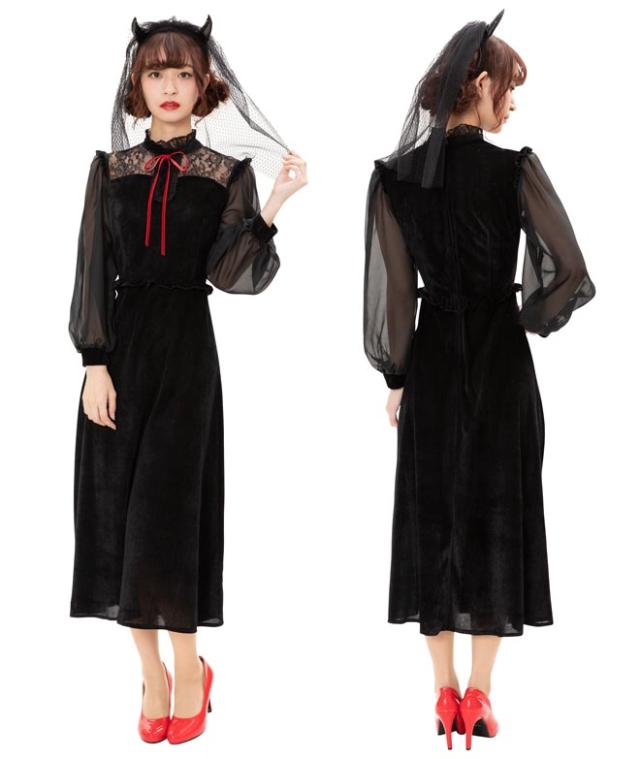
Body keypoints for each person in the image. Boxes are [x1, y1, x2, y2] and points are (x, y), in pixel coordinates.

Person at [68, 15, 307, 744]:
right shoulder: (110, 170)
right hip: (120, 355)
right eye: (155, 74)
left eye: (183, 74)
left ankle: (190, 667)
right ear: (136, 86)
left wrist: (274, 203)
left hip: (188, 355)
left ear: (205, 86)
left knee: (168, 516)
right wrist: (94, 362)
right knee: (115, 515)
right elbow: (90, 268)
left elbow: (232, 274)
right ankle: (152, 675)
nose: (169, 86)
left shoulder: (227, 174)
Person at [363, 9, 595, 750]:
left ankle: (442, 692)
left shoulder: (394, 179)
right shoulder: (513, 168)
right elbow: (569, 270)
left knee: (431, 514)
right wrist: (525, 315)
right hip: (499, 359)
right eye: (510, 88)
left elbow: (394, 293)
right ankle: (481, 696)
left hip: (431, 358)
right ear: (483, 83)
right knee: (498, 510)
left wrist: (397, 375)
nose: (514, 104)